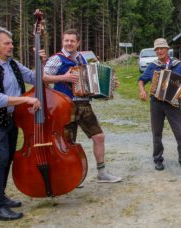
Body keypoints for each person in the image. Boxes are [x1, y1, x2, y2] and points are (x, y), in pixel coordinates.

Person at [0, 27, 42, 221]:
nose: (11, 46)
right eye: (7, 43)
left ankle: (1, 196)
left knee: (8, 157)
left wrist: (40, 60)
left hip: (12, 118)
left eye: (11, 42)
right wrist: (25, 100)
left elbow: (33, 77)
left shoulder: (12, 64)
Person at [43, 29, 122, 183]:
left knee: (99, 137)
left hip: (83, 104)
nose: (69, 43)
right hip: (64, 105)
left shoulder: (82, 59)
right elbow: (42, 77)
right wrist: (63, 77)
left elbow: (91, 83)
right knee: (67, 142)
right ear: (62, 42)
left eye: (72, 41)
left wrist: (111, 85)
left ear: (78, 43)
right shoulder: (56, 59)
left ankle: (102, 173)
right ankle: (70, 176)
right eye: (66, 40)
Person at [137, 38, 181, 171]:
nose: (159, 51)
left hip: (173, 104)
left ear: (167, 49)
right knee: (157, 132)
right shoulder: (153, 66)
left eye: (162, 48)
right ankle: (158, 159)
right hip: (156, 103)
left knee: (180, 131)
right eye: (157, 49)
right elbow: (141, 80)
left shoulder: (177, 65)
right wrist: (142, 91)